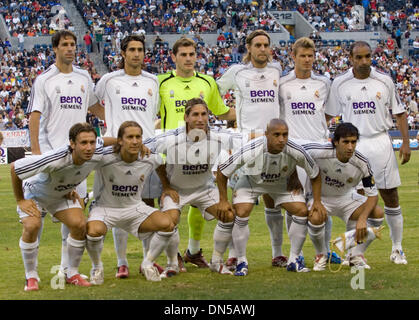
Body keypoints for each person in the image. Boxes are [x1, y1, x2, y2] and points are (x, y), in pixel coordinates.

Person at [27, 30, 104, 280]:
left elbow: (93, 106)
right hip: (51, 158)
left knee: (74, 218)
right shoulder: (45, 79)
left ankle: (66, 270)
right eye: (65, 45)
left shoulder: (83, 77)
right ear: (55, 49)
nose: (70, 49)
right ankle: (33, 273)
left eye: (73, 44)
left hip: (78, 160)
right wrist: (38, 155)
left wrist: (116, 119)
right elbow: (35, 116)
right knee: (34, 219)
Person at [328, 41, 411, 264]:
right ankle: (353, 254)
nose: (364, 62)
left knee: (390, 196)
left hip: (380, 143)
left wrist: (405, 142)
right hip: (352, 147)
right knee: (357, 202)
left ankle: (397, 248)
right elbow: (330, 115)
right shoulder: (340, 83)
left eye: (367, 57)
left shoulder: (384, 80)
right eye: (359, 58)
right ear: (351, 59)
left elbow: (400, 113)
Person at [157, 37, 236, 269]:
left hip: (200, 152)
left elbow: (221, 113)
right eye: (183, 54)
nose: (189, 58)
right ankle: (171, 258)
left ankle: (192, 250)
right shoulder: (161, 83)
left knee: (198, 200)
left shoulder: (207, 82)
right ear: (173, 57)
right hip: (169, 157)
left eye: (192, 54)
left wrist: (249, 111)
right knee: (168, 209)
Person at [144, 98, 243, 275]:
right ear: (186, 117)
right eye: (195, 114)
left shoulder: (218, 136)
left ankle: (217, 261)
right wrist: (165, 186)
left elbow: (246, 139)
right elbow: (149, 152)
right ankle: (172, 263)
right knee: (169, 221)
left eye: (204, 114)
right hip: (177, 190)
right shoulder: (172, 137)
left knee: (228, 215)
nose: (200, 118)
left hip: (204, 189)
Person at [216, 119, 327, 276]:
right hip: (251, 182)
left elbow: (315, 174)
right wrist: (223, 200)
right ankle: (241, 261)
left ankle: (294, 259)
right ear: (266, 134)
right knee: (241, 211)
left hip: (280, 184)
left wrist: (317, 201)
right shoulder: (252, 148)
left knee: (301, 210)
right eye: (276, 135)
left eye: (285, 135)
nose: (281, 139)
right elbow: (223, 171)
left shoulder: (295, 149)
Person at [216, 29, 286, 269]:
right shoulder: (237, 72)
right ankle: (235, 255)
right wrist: (228, 114)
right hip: (245, 143)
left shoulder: (277, 70)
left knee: (272, 200)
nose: (263, 49)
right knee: (241, 203)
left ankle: (278, 253)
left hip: (274, 144)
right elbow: (214, 92)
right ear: (249, 47)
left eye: (266, 45)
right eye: (258, 45)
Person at [93, 34, 162, 278]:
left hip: (146, 150)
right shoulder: (109, 80)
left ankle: (147, 260)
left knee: (146, 205)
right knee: (115, 206)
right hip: (114, 153)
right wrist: (113, 128)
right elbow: (91, 103)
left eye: (140, 50)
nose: (136, 54)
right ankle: (122, 262)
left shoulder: (153, 81)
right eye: (131, 49)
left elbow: (152, 114)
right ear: (123, 53)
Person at [10, 123, 104, 291]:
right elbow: (15, 168)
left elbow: (113, 141)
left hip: (61, 195)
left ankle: (71, 273)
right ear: (72, 144)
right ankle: (31, 276)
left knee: (79, 224)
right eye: (83, 143)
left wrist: (137, 145)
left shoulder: (97, 152)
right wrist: (20, 200)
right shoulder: (55, 158)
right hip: (36, 194)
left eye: (92, 142)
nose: (89, 147)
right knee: (32, 226)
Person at [85, 121, 180, 284]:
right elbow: (89, 150)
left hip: (134, 208)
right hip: (106, 208)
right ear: (120, 140)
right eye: (129, 137)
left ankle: (148, 263)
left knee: (167, 224)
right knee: (93, 231)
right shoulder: (104, 157)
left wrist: (166, 187)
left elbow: (160, 164)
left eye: (138, 137)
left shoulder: (148, 157)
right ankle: (97, 267)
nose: (135, 141)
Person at [278, 37, 340, 264]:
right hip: (293, 148)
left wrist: (316, 128)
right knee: (294, 201)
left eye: (310, 56)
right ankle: (297, 253)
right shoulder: (283, 83)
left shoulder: (323, 83)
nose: (307, 60)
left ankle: (324, 250)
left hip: (320, 148)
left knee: (320, 201)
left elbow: (328, 112)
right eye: (302, 56)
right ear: (293, 56)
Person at [303, 122, 384, 268]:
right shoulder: (319, 151)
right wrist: (295, 178)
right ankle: (321, 255)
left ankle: (354, 255)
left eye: (353, 142)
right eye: (345, 142)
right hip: (321, 198)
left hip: (346, 198)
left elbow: (373, 195)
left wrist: (363, 220)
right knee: (315, 216)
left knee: (377, 213)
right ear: (335, 142)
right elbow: (296, 153)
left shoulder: (362, 162)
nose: (350, 147)